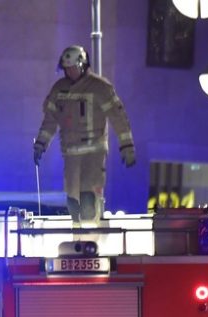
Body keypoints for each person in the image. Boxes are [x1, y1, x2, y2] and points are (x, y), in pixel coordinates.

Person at [33, 45, 136, 224]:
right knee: (73, 203)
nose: (69, 72)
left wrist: (127, 146)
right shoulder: (59, 89)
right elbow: (50, 120)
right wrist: (41, 144)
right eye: (66, 69)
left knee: (88, 200)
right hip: (71, 153)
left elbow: (117, 117)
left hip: (93, 153)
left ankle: (90, 239)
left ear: (81, 64)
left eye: (71, 68)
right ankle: (77, 238)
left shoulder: (99, 87)